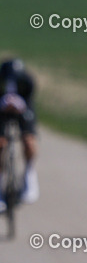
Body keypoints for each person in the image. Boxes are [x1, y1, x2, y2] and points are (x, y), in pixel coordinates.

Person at [0, 58, 40, 209]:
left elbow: (30, 104)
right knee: (1, 142)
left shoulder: (27, 82)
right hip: (1, 109)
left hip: (23, 107)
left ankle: (29, 174)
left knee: (29, 141)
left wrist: (21, 109)